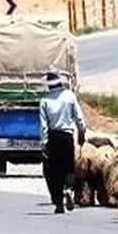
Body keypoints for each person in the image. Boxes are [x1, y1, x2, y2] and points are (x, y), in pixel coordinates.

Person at [39, 70, 86, 214]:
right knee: (68, 167)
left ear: (49, 85)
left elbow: (43, 125)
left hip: (53, 137)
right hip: (67, 136)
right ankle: (69, 189)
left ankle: (58, 203)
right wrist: (82, 133)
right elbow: (79, 117)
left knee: (52, 171)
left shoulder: (45, 100)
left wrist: (44, 144)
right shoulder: (69, 96)